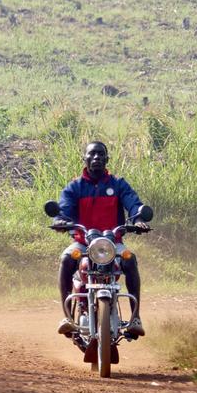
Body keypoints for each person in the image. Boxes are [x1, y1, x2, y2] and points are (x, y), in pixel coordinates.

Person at [53, 141, 148, 337]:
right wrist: (60, 220)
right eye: (92, 154)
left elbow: (133, 203)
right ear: (85, 159)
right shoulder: (75, 187)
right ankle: (67, 317)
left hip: (113, 243)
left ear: (106, 159)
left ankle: (135, 319)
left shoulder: (118, 184)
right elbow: (64, 209)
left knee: (130, 259)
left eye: (100, 154)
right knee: (66, 259)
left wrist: (138, 219)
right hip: (83, 243)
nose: (96, 158)